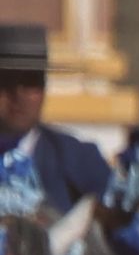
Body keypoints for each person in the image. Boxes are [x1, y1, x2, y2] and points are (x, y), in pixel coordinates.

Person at [0, 33, 99, 214]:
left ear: (44, 89)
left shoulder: (79, 159)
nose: (19, 95)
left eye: (31, 82)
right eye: (6, 81)